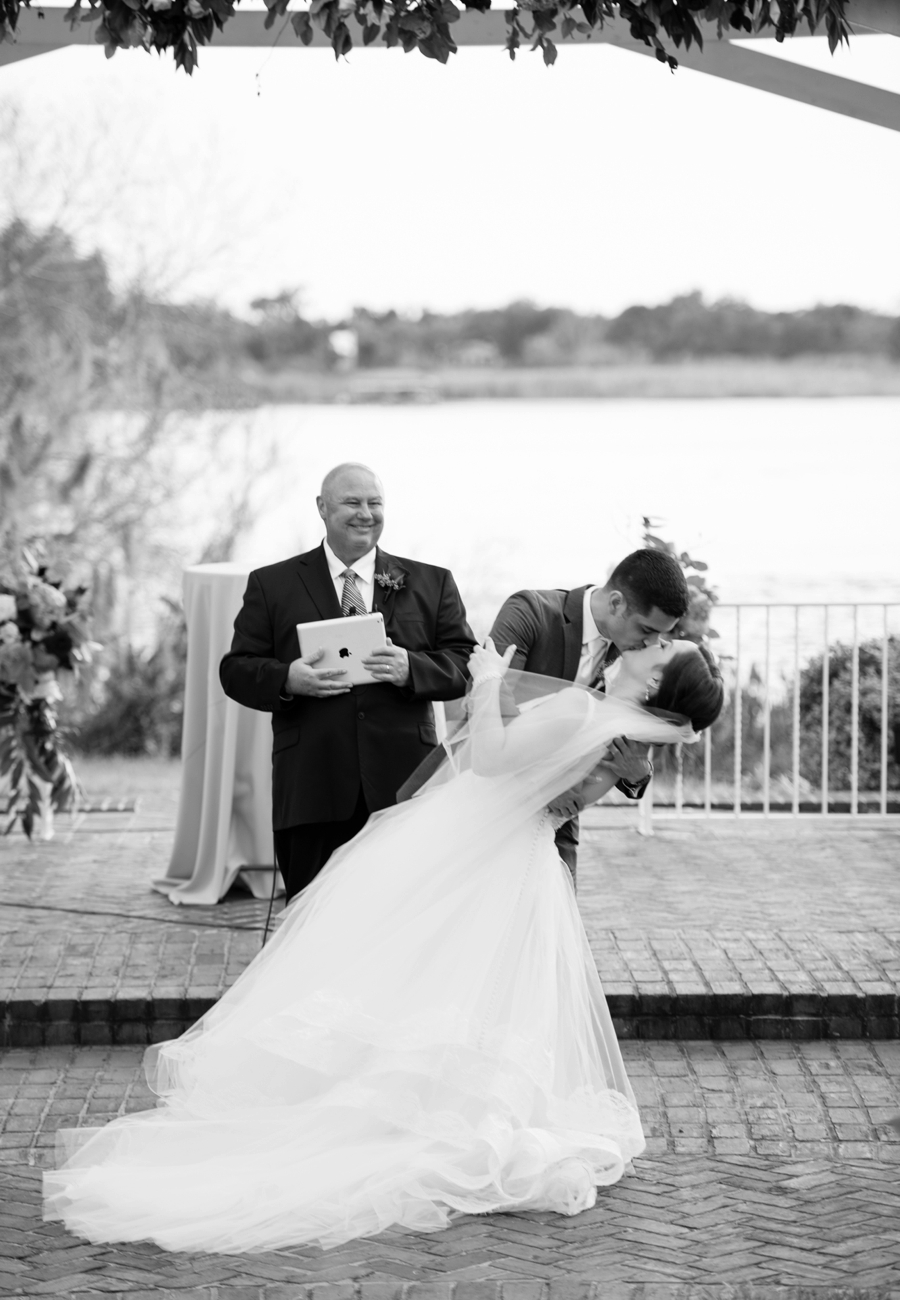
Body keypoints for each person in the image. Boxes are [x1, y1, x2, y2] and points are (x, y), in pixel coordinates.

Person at [43, 634, 723, 1253]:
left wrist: (487, 680)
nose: (656, 640)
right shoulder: (620, 736)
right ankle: (435, 1112)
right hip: (520, 859)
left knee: (409, 972)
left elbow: (487, 758)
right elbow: (567, 795)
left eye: (667, 645)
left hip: (479, 846)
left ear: (659, 674)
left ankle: (390, 1116)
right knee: (456, 989)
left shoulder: (588, 716)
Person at [219, 463, 475, 900]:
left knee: (400, 914)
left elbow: (465, 663)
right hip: (313, 786)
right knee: (311, 916)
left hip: (403, 783)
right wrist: (288, 679)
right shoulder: (272, 583)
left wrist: (412, 668)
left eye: (375, 503)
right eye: (352, 502)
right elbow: (236, 669)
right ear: (322, 507)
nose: (365, 513)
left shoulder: (431, 582)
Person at [488, 548, 692, 885]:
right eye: (646, 629)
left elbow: (634, 744)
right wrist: (540, 787)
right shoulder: (530, 611)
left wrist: (638, 774)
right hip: (488, 806)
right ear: (616, 603)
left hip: (555, 827)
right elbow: (490, 705)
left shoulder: (636, 662)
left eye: (661, 635)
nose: (652, 643)